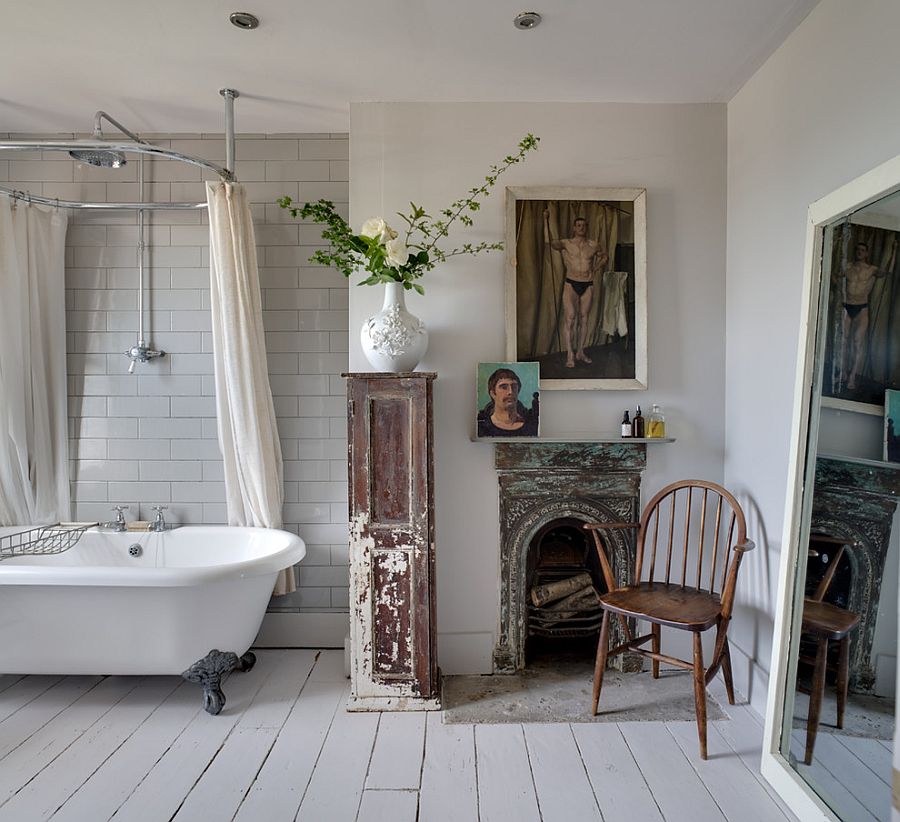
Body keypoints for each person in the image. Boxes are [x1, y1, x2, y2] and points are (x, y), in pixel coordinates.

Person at [544, 210, 608, 368]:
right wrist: (546, 221)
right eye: (578, 225)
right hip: (571, 283)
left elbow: (605, 256)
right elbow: (550, 243)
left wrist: (597, 268)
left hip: (588, 283)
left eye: (583, 225)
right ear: (574, 228)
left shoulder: (593, 245)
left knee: (584, 318)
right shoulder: (566, 243)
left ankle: (580, 351)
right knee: (570, 318)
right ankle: (570, 354)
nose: (581, 228)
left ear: (586, 228)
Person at [837, 241, 890, 390]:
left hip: (862, 308)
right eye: (857, 249)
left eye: (862, 250)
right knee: (843, 342)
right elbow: (835, 277)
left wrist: (893, 253)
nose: (859, 252)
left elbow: (885, 273)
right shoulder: (848, 267)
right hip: (847, 306)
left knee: (856, 342)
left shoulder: (871, 269)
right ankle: (843, 372)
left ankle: (852, 375)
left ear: (866, 253)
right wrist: (839, 292)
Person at [477, 368, 539, 437]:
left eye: (514, 387)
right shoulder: (482, 427)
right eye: (504, 387)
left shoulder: (532, 425)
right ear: (493, 393)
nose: (510, 392)